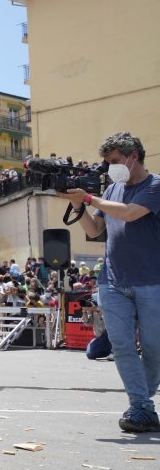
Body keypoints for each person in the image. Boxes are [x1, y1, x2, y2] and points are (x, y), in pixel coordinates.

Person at [61, 131, 160, 433]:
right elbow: (93, 231)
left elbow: (130, 215)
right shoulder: (113, 190)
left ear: (133, 157)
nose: (110, 167)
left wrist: (89, 197)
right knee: (122, 346)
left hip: (151, 281)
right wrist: (78, 205)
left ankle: (142, 403)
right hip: (113, 280)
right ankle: (142, 407)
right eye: (107, 162)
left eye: (114, 161)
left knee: (155, 349)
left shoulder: (155, 186)